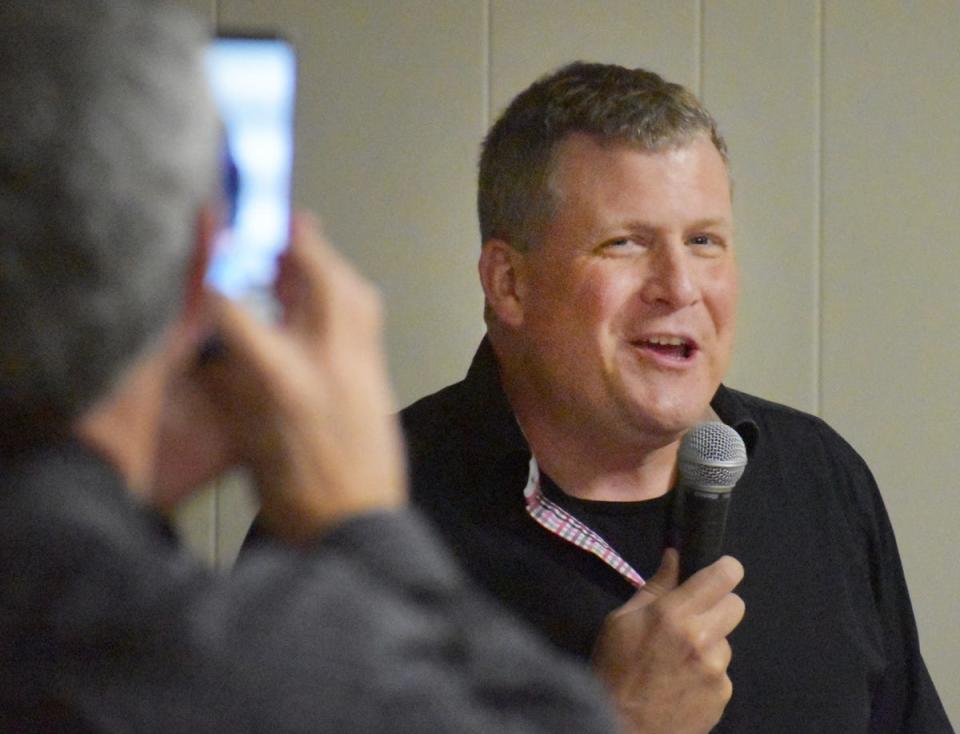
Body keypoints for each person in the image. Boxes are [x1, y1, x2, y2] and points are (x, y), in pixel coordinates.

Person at [0, 3, 623, 731]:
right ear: (204, 263)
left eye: (707, 240)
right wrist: (361, 521)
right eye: (623, 244)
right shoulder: (231, 663)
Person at [401, 62, 953, 732]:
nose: (679, 287)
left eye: (703, 242)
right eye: (626, 243)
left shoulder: (820, 479)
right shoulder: (356, 520)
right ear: (509, 283)